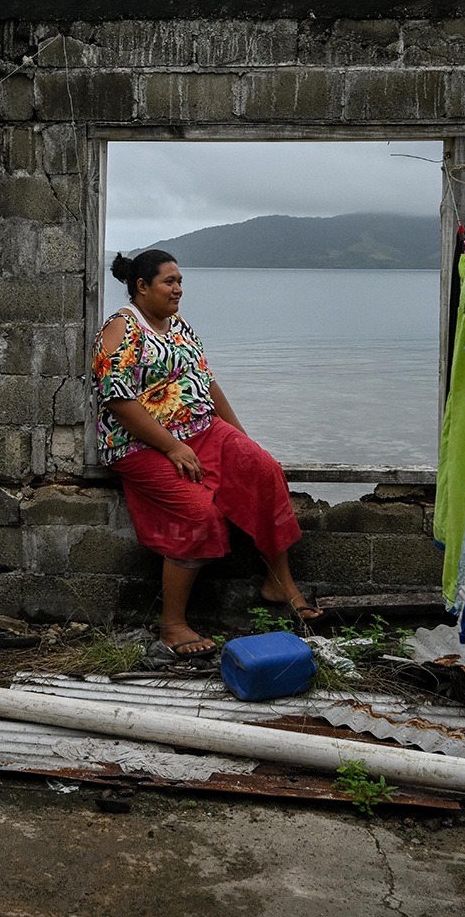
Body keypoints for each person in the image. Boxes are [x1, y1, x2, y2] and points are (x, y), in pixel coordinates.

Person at [93, 248, 322, 662]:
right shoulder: (120, 330)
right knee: (198, 512)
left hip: (202, 430)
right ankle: (172, 625)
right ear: (142, 287)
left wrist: (240, 438)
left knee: (264, 468)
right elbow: (118, 401)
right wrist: (172, 445)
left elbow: (208, 384)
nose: (178, 289)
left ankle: (279, 583)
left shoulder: (178, 325)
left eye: (180, 281)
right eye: (169, 282)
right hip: (141, 443)